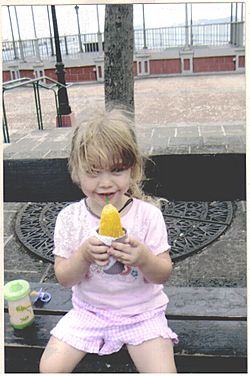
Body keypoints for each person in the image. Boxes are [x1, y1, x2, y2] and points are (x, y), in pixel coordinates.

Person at [39, 108, 178, 373]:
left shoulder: (147, 216)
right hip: (88, 312)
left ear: (133, 169)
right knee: (49, 367)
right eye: (93, 171)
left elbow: (163, 274)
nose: (105, 183)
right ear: (76, 172)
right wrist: (83, 256)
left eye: (116, 170)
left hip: (141, 313)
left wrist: (144, 259)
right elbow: (64, 278)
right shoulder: (70, 219)